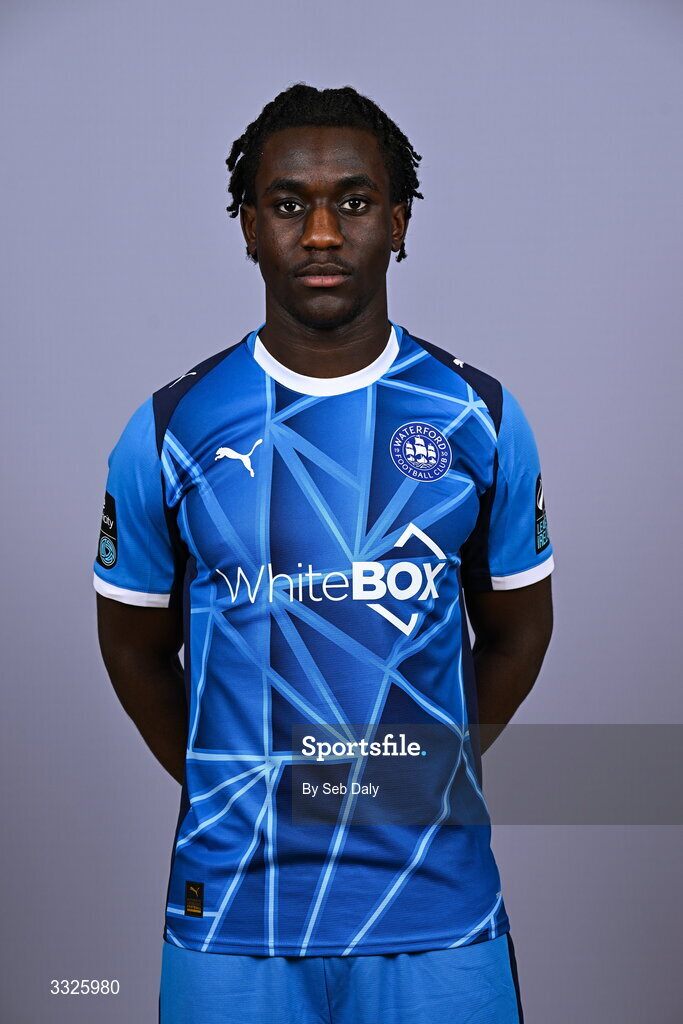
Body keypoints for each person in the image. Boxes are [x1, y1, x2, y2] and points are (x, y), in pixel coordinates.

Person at [93, 83, 554, 1024]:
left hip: (438, 912)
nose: (319, 233)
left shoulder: (481, 418)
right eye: (289, 204)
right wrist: (234, 781)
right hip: (233, 917)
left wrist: (421, 773)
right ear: (249, 228)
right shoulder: (170, 430)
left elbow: (515, 632)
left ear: (398, 222)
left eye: (351, 201)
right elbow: (134, 647)